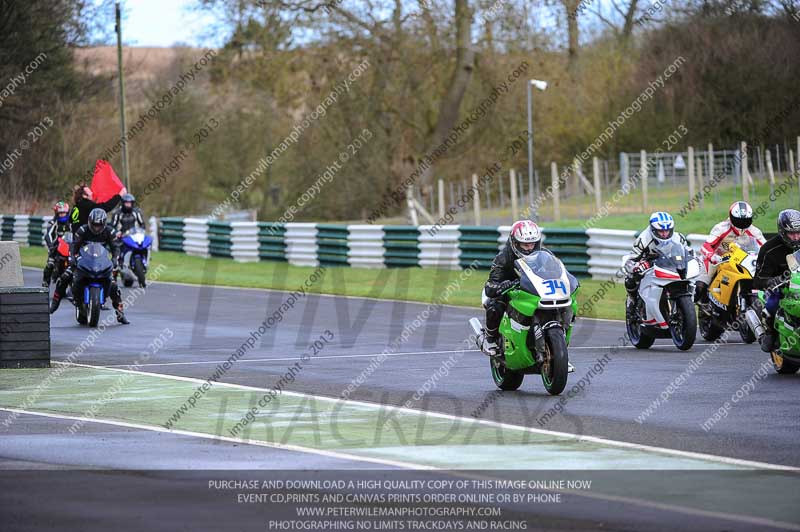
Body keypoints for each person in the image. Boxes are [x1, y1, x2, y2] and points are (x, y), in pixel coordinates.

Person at [50, 208, 130, 324]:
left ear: (103, 223)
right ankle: (54, 304)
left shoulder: (109, 232)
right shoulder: (82, 230)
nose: (96, 228)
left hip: (101, 261)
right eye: (94, 225)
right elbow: (74, 246)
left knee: (113, 286)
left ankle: (120, 313)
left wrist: (114, 258)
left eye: (99, 225)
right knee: (65, 277)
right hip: (83, 260)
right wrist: (72, 257)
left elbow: (116, 247)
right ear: (90, 222)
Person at [480, 220, 543, 356]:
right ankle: (490, 338)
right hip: (509, 291)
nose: (529, 248)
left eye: (532, 244)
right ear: (515, 243)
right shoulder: (503, 258)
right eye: (525, 244)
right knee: (495, 305)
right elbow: (490, 286)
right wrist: (504, 285)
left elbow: (554, 270)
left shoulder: (543, 255)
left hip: (534, 290)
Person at [695, 201, 765, 305]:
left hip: (742, 261)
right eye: (738, 221)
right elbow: (706, 246)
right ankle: (702, 305)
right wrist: (712, 256)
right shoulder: (721, 228)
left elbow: (765, 247)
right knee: (701, 285)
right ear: (731, 218)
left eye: (745, 221)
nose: (742, 224)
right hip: (718, 260)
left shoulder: (754, 231)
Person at [753, 209, 800, 352]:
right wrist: (774, 281)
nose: (796, 237)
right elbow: (758, 280)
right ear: (782, 231)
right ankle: (770, 333)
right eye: (792, 234)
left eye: (799, 233)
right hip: (782, 289)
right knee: (772, 305)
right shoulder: (769, 249)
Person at [624, 212, 691, 306]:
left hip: (670, 265)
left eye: (667, 231)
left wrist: (694, 260)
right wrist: (637, 266)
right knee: (630, 279)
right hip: (648, 265)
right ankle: (632, 301)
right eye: (661, 231)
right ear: (653, 230)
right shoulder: (643, 240)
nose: (664, 234)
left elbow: (689, 253)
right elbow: (631, 261)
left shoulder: (679, 238)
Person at [42, 201, 71, 287]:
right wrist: (51, 245)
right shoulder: (53, 222)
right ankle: (45, 283)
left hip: (69, 247)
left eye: (64, 213)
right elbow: (48, 235)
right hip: (55, 247)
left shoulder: (71, 222)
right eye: (60, 213)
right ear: (57, 213)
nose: (62, 215)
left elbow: (77, 233)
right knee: (50, 264)